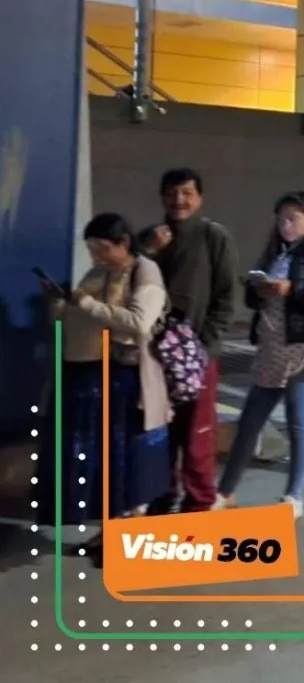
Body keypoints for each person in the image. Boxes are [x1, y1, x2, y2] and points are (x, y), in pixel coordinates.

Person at [37, 214, 171, 561]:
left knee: (130, 459)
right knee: (106, 462)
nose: (96, 256)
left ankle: (131, 538)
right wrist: (58, 303)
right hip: (95, 377)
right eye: (92, 249)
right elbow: (71, 318)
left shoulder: (146, 272)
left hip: (128, 379)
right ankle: (110, 531)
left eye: (102, 249)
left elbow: (139, 323)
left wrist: (86, 304)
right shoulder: (98, 273)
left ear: (123, 243)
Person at [216, 192, 304, 518]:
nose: (286, 225)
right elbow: (252, 294)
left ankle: (294, 496)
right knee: (249, 422)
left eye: (293, 219)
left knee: (299, 423)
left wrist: (294, 290)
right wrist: (257, 289)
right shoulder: (275, 249)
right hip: (270, 347)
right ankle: (225, 492)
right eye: (281, 219)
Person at [140, 168, 236, 514]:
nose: (178, 201)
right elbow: (129, 283)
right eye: (171, 193)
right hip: (154, 358)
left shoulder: (214, 237)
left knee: (197, 435)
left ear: (199, 198)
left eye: (186, 193)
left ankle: (200, 503)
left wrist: (205, 345)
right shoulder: (149, 238)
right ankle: (163, 495)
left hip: (198, 357)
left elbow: (226, 297)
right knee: (159, 432)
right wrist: (149, 250)